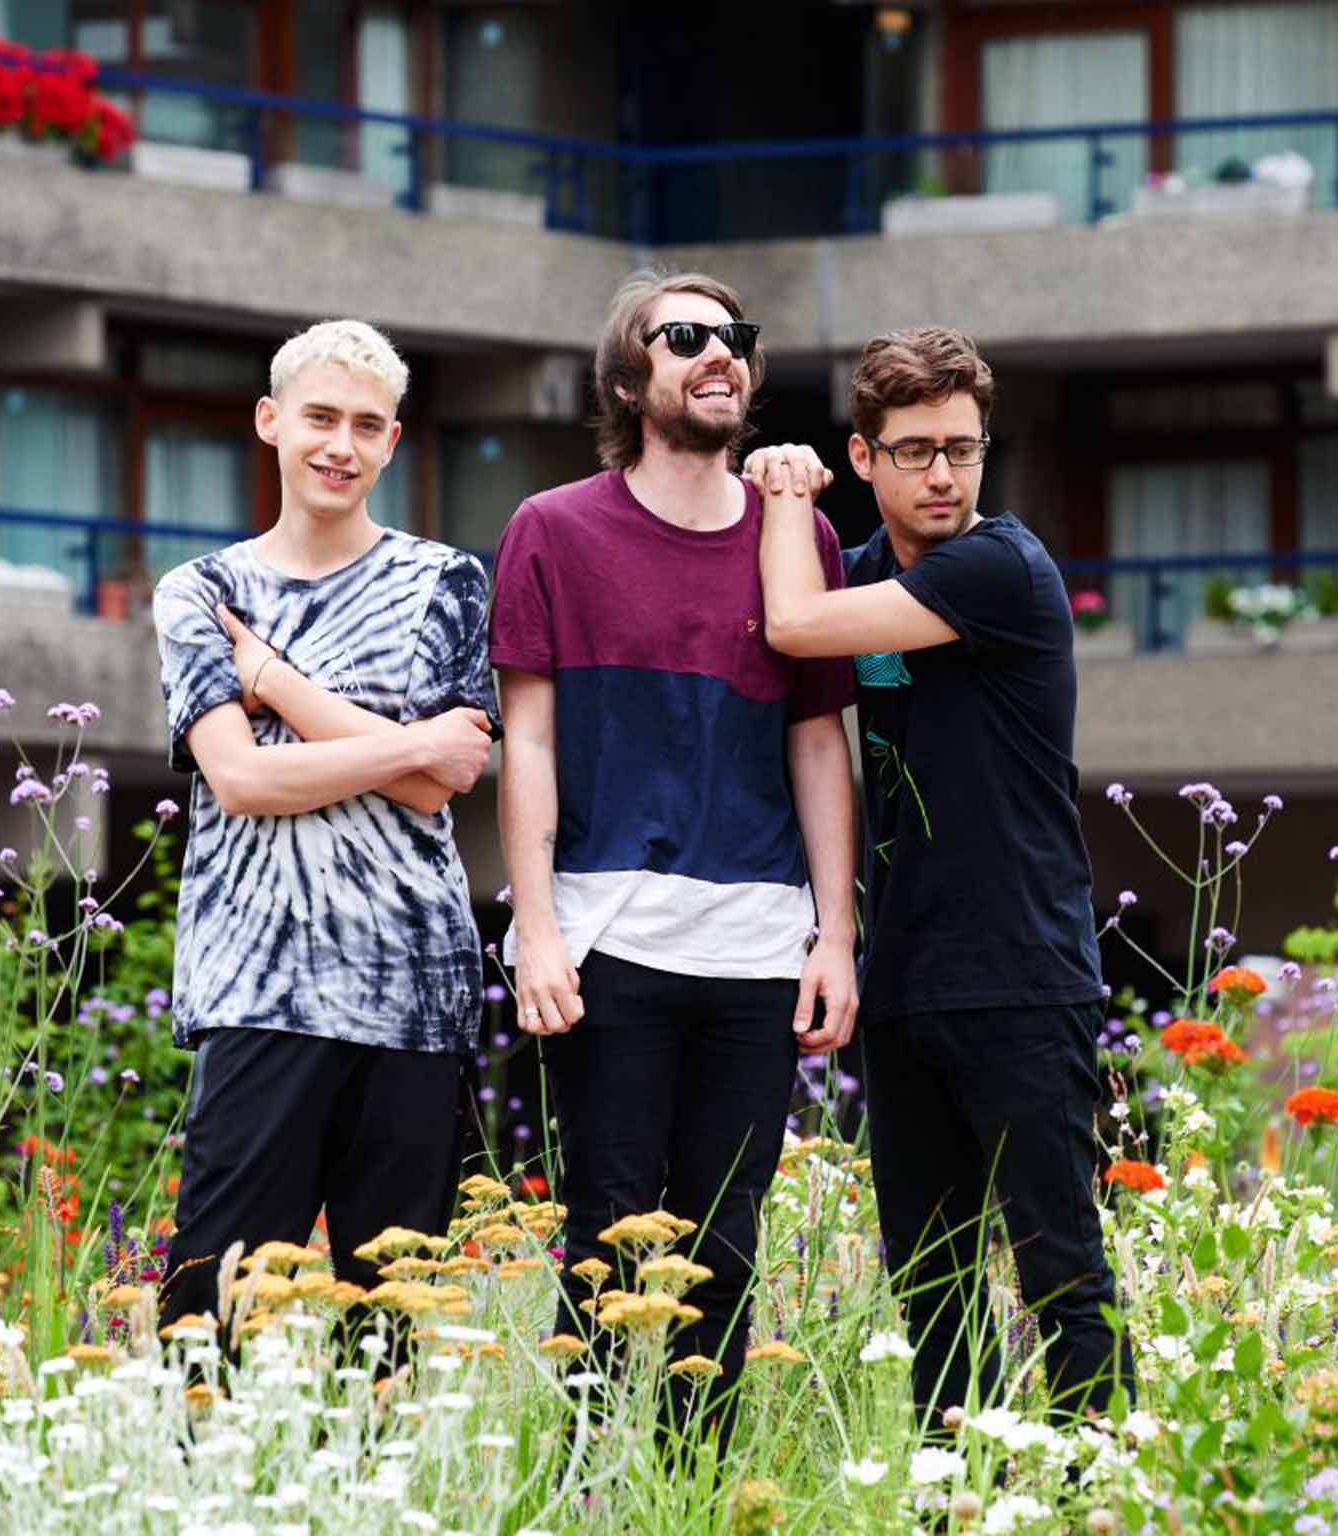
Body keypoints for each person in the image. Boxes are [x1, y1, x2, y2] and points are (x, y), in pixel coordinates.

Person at [490, 271, 858, 1428]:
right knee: (601, 1239)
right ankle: (596, 1487)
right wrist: (533, 925)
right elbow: (529, 741)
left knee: (723, 1252)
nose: (719, 356)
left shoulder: (797, 540)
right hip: (605, 941)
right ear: (626, 380)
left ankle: (695, 1487)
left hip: (755, 946)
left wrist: (835, 937)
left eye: (733, 339)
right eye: (684, 336)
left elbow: (816, 748)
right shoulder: (550, 529)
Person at [746, 326, 1129, 1427]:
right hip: (904, 984)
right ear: (862, 459)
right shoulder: (868, 572)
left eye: (960, 448)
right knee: (932, 1291)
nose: (942, 475)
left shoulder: (1000, 567)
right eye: (912, 451)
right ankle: (951, 1502)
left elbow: (790, 622)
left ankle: (1095, 1497)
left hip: (1019, 977)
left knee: (1062, 1273)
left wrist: (780, 494)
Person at [151, 319, 497, 1334]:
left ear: (392, 441)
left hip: (413, 989)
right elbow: (241, 781)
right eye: (318, 418)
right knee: (209, 1311)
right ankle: (202, 1491)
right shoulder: (201, 592)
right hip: (259, 984)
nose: (338, 445)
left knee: (388, 1322)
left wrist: (268, 680)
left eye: (365, 425)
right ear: (270, 422)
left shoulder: (445, 582)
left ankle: (376, 1494)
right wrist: (406, 746)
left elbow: (448, 784)